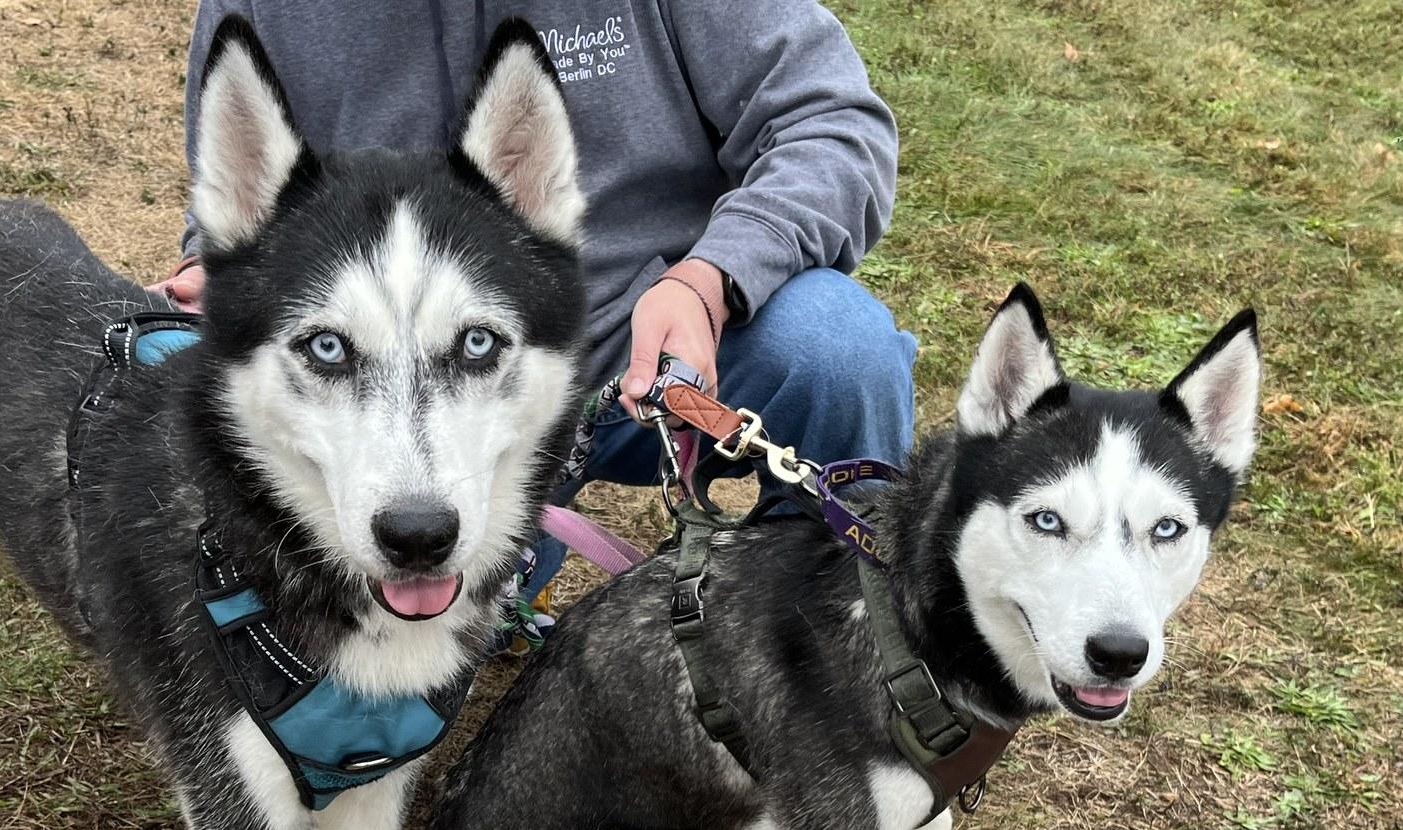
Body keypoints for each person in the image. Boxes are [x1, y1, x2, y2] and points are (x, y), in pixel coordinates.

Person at [160, 1, 915, 588]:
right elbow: (239, 200)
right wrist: (217, 273)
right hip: (378, 371)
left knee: (834, 347)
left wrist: (709, 277)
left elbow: (831, 125)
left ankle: (847, 632)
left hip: (649, 356)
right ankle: (510, 568)